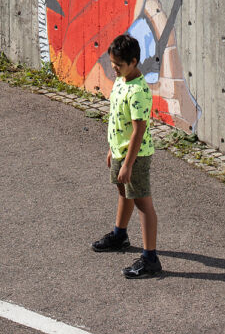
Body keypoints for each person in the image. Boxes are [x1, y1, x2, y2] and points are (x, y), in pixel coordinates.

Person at [91, 33, 162, 278]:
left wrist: (128, 164)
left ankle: (150, 258)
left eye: (118, 65)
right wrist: (112, 148)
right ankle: (120, 235)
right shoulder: (122, 80)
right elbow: (117, 118)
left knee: (143, 204)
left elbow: (139, 129)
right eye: (112, 64)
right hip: (121, 151)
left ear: (134, 62)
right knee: (124, 192)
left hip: (136, 156)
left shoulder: (139, 91)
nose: (114, 69)